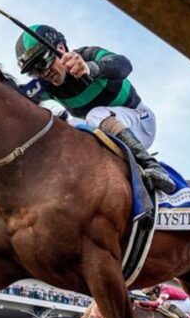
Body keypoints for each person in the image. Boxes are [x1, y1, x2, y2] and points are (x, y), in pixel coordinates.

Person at [16, 24, 175, 194]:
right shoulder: (46, 86)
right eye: (33, 71)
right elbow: (13, 95)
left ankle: (151, 165)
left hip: (140, 121)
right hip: (104, 131)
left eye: (42, 62)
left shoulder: (88, 55)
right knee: (70, 126)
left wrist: (90, 68)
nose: (43, 73)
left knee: (95, 114)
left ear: (60, 48)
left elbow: (124, 65)